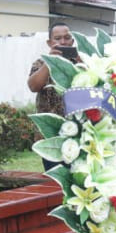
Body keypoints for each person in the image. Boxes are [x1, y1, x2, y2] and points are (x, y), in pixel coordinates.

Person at [28, 21, 77, 169]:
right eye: (57, 38)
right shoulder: (41, 63)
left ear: (73, 41)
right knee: (55, 182)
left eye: (67, 37)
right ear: (50, 43)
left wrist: (82, 63)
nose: (63, 42)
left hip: (79, 134)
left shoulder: (81, 62)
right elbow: (33, 86)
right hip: (51, 137)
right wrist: (50, 63)